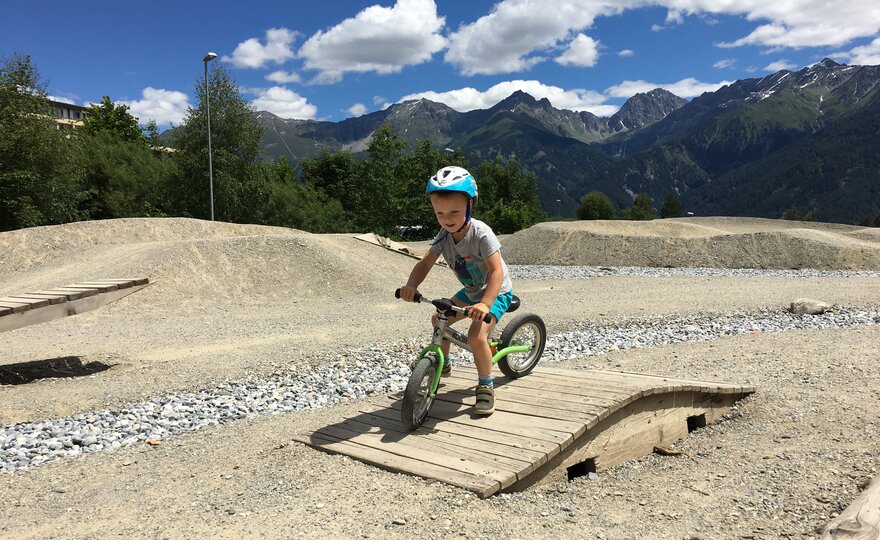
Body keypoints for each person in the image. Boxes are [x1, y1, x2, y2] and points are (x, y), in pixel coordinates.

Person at [398, 166, 514, 415]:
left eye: (454, 212)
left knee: (476, 336)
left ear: (470, 205)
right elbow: (425, 262)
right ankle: (443, 362)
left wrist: (485, 304)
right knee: (438, 317)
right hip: (472, 290)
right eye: (439, 213)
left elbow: (496, 272)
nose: (446, 218)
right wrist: (411, 286)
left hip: (496, 291)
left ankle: (485, 385)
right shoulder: (444, 235)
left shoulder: (482, 234)